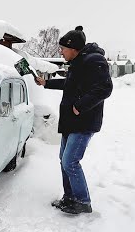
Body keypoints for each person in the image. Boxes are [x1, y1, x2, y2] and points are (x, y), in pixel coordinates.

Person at [35, 26, 113, 214]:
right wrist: (46, 83)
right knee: (64, 160)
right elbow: (69, 83)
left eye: (63, 48)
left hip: (83, 121)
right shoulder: (79, 62)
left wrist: (80, 106)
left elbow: (105, 88)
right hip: (71, 121)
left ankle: (82, 201)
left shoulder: (94, 60)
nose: (60, 51)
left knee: (70, 161)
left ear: (73, 47)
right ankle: (70, 197)